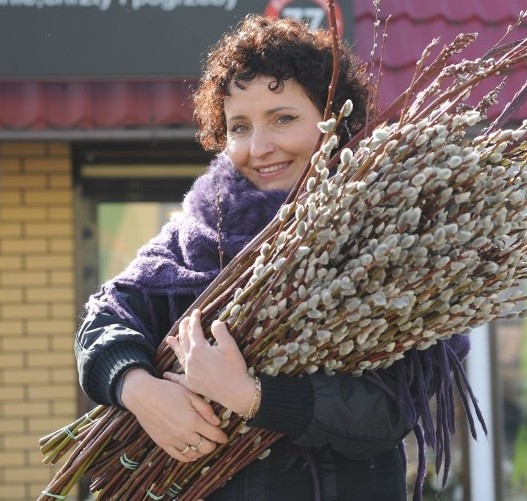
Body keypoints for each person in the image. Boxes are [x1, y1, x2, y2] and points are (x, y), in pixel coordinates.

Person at [75, 14, 477, 501]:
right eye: (239, 127)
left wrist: (250, 396)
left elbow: (390, 410)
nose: (259, 148)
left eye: (283, 118)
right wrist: (140, 390)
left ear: (336, 121)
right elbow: (106, 318)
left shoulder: (395, 236)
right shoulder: (192, 236)